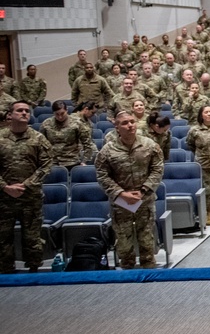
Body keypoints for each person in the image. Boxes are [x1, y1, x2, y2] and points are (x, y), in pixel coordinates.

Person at [95, 110, 163, 269]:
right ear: (117, 127)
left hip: (144, 200)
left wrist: (143, 190)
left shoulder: (149, 145)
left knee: (146, 239)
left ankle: (149, 269)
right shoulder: (107, 150)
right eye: (125, 123)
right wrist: (121, 193)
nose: (130, 125)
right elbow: (102, 175)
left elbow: (157, 169)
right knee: (124, 242)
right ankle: (127, 272)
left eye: (132, 121)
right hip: (120, 203)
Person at [0, 101, 53, 273]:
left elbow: (46, 166)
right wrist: (5, 187)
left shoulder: (38, 139)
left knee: (32, 239)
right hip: (4, 198)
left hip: (30, 197)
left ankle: (33, 271)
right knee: (3, 238)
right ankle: (6, 272)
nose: (24, 113)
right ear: (10, 115)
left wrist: (26, 184)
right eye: (19, 110)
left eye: (26, 111)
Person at [40, 100, 97, 170]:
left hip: (72, 162)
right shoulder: (46, 124)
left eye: (62, 113)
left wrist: (85, 161)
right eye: (57, 114)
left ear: (66, 110)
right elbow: (41, 144)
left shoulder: (77, 123)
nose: (60, 117)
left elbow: (87, 144)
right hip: (53, 163)